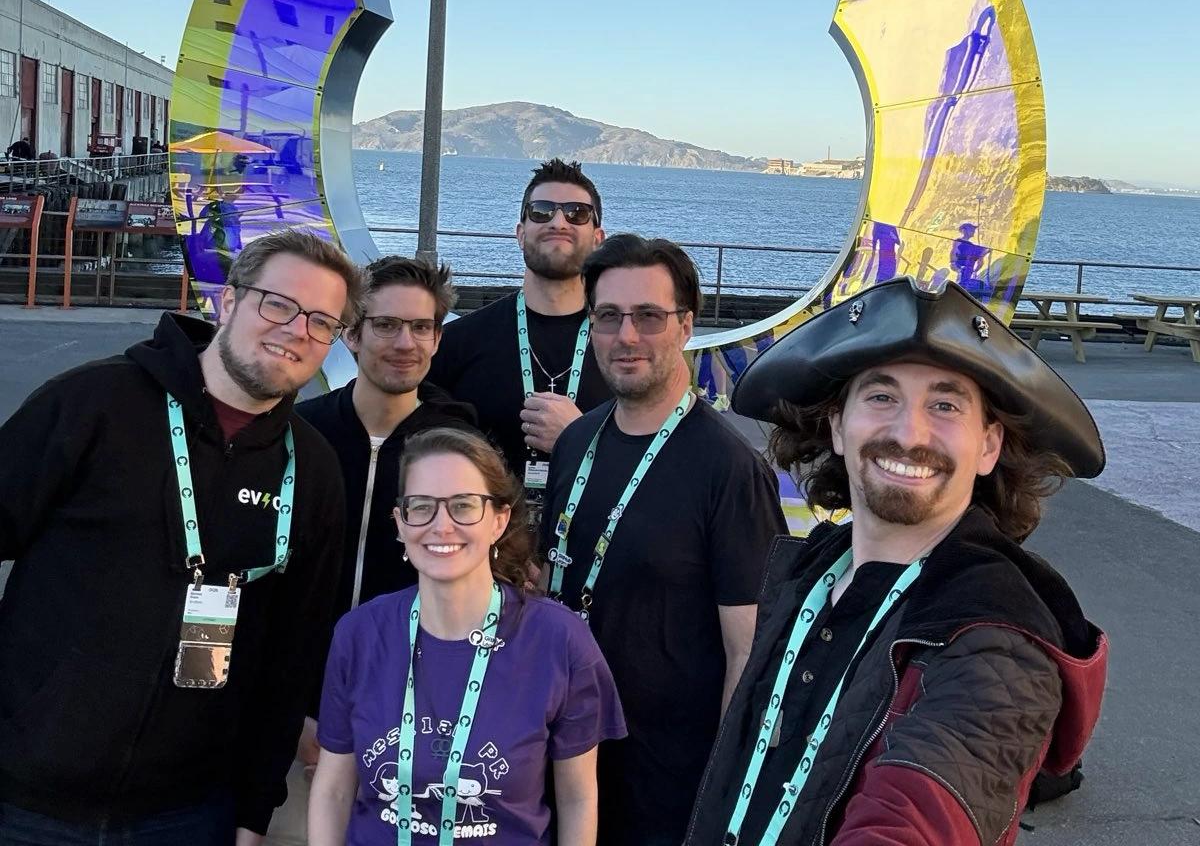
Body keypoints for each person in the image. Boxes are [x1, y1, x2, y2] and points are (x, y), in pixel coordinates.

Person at [684, 276, 1108, 846]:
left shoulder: (996, 636)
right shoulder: (813, 574)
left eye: (945, 404)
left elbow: (922, 811)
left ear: (989, 446)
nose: (909, 433)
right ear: (838, 425)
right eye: (882, 397)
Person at [0, 228, 360, 846]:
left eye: (322, 321)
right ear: (228, 303)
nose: (296, 331)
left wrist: (252, 813)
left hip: (190, 813)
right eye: (278, 304)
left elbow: (290, 658)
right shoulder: (94, 404)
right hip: (27, 798)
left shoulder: (316, 471)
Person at [540, 234, 787, 846]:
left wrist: (723, 799)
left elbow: (749, 652)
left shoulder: (728, 470)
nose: (626, 336)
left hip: (668, 786)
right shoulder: (576, 442)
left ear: (685, 325)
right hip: (562, 758)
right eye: (608, 316)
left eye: (648, 316)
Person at [309, 426, 625, 845]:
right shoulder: (360, 634)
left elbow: (578, 796)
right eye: (422, 507)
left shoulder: (559, 640)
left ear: (499, 520)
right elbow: (332, 789)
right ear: (400, 524)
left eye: (463, 506)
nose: (442, 526)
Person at [263, 256, 476, 845]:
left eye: (422, 326)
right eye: (385, 325)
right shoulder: (295, 438)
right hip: (291, 722)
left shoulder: (458, 454)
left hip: (414, 730)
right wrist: (294, 714)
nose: (405, 342)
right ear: (350, 334)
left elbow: (469, 599)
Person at [428, 158, 611, 509]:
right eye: (541, 211)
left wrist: (577, 439)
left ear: (598, 239)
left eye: (577, 213)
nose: (558, 222)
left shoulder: (625, 350)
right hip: (483, 552)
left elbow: (657, 461)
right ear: (520, 232)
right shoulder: (457, 343)